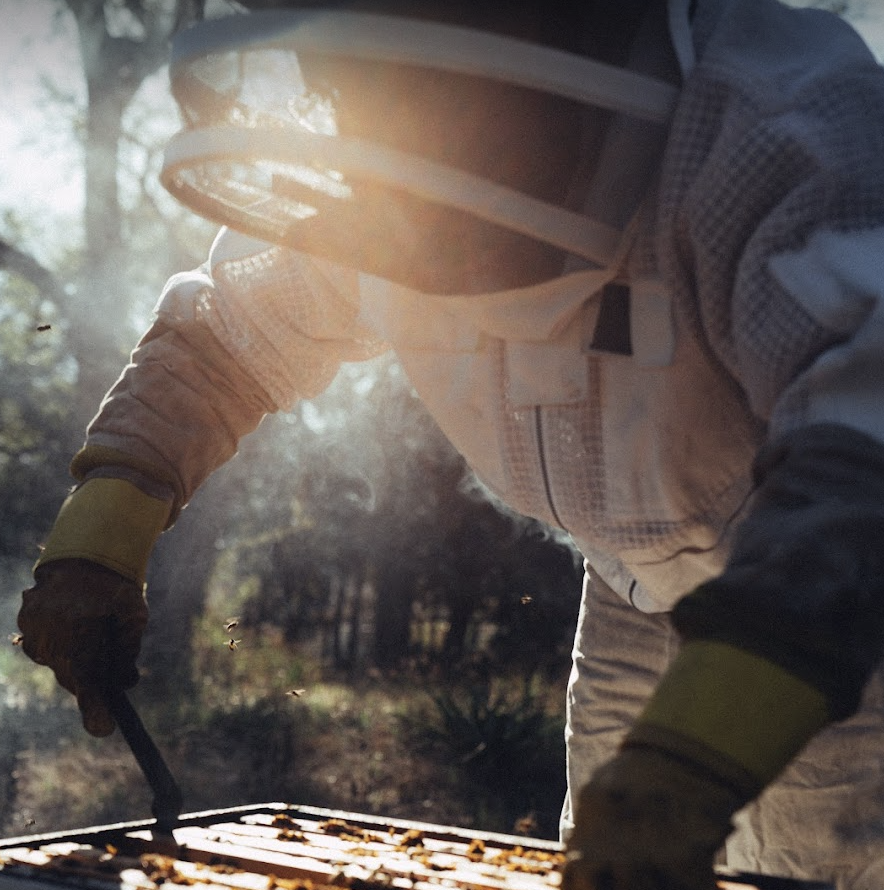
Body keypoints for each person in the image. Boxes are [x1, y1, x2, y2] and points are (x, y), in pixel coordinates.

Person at [16, 0, 884, 886]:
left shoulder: (779, 127)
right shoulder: (393, 157)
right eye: (348, 91)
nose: (386, 141)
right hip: (627, 586)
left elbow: (865, 452)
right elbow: (224, 338)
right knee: (613, 859)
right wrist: (97, 544)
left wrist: (705, 750)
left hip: (835, 602)